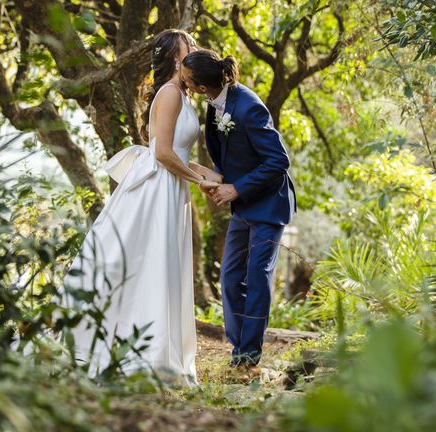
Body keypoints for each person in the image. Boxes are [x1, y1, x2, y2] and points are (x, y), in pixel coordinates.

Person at [63, 30, 220, 385]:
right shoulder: (168, 93)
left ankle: (157, 353)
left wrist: (204, 171)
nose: (195, 48)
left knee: (159, 266)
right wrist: (199, 182)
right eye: (189, 45)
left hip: (171, 184)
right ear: (174, 57)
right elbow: (162, 154)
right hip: (157, 189)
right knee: (146, 264)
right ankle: (138, 356)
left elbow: (175, 153)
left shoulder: (183, 95)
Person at [180, 49, 297, 375]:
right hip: (244, 206)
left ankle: (248, 358)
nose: (183, 83)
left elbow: (279, 161)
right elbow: (232, 155)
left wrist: (236, 188)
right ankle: (238, 350)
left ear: (201, 86)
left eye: (187, 79)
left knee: (257, 277)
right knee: (230, 278)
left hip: (269, 206)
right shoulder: (216, 105)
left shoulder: (248, 107)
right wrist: (216, 177)